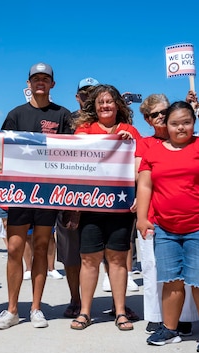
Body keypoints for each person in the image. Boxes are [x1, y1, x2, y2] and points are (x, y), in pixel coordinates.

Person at [137, 101, 199, 353]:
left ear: (193, 123)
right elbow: (145, 185)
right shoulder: (154, 151)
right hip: (166, 229)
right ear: (165, 125)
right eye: (174, 123)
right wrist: (142, 218)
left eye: (186, 122)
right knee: (170, 281)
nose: (180, 127)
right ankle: (169, 329)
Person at [0, 62, 72, 329]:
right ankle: (12, 309)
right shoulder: (16, 114)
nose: (40, 82)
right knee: (15, 248)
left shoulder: (63, 115)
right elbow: (0, 150)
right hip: (19, 193)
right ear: (29, 83)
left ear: (52, 84)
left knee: (41, 247)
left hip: (49, 194)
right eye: (35, 79)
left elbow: (76, 152)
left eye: (45, 79)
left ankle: (37, 308)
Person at [67, 84, 141, 331]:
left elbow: (140, 166)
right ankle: (86, 312)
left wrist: (129, 145)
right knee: (88, 259)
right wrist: (86, 141)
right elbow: (73, 156)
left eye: (109, 101)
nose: (105, 106)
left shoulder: (130, 130)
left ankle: (120, 311)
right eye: (100, 102)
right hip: (91, 205)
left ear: (117, 105)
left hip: (120, 206)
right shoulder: (85, 129)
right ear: (94, 107)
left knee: (118, 259)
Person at [136, 94, 199, 335]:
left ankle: (185, 316)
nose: (161, 116)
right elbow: (138, 176)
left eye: (165, 111)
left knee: (186, 269)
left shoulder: (190, 140)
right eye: (155, 114)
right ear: (147, 119)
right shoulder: (145, 144)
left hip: (187, 216)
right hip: (153, 214)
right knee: (153, 268)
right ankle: (155, 315)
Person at [58, 77, 98, 318]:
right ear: (77, 97)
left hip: (101, 195)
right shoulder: (67, 119)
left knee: (107, 252)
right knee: (71, 253)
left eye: (93, 94)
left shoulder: (110, 118)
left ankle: (117, 302)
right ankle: (75, 298)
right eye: (84, 94)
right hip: (69, 195)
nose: (88, 98)